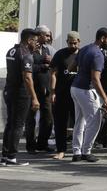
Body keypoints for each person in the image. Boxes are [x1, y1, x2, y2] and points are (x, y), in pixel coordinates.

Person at [71, 27, 107, 163]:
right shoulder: (98, 54)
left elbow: (71, 66)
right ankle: (86, 152)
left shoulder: (84, 49)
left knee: (79, 121)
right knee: (95, 121)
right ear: (102, 38)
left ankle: (76, 152)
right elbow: (95, 79)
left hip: (75, 88)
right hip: (85, 90)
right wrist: (106, 99)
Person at [2, 29, 41, 166]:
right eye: (35, 41)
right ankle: (11, 156)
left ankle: (5, 155)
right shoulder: (26, 55)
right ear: (29, 40)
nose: (37, 44)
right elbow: (27, 78)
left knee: (10, 123)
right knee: (18, 124)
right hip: (20, 94)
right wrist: (34, 98)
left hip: (9, 90)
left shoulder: (11, 51)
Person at [49, 31, 80, 160]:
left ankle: (78, 150)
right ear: (67, 42)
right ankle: (61, 150)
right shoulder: (60, 54)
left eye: (75, 43)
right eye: (70, 43)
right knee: (60, 122)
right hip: (61, 93)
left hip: (78, 94)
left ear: (79, 42)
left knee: (79, 123)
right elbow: (53, 74)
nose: (72, 45)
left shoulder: (82, 55)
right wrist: (53, 92)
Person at [26, 24, 55, 153]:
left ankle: (42, 143)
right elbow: (27, 69)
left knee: (48, 116)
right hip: (32, 88)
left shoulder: (47, 49)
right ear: (40, 35)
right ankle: (30, 145)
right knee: (30, 117)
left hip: (46, 88)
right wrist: (42, 65)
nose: (49, 38)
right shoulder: (29, 49)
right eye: (47, 35)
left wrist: (50, 61)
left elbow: (52, 66)